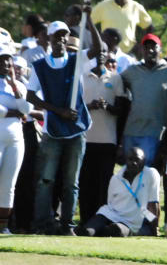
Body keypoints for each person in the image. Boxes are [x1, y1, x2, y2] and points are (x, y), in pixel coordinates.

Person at [27, 17, 102, 235]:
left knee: (71, 182)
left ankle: (67, 225)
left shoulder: (76, 60)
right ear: (49, 38)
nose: (61, 39)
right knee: (45, 180)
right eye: (57, 35)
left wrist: (90, 22)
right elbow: (31, 95)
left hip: (76, 130)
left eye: (64, 35)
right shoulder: (40, 66)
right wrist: (57, 110)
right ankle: (42, 223)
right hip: (53, 130)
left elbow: (97, 49)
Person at [78, 44, 127, 225]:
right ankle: (85, 220)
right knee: (85, 181)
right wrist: (89, 106)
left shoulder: (115, 78)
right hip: (86, 139)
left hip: (107, 141)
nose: (100, 55)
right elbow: (75, 107)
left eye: (104, 52)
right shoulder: (82, 76)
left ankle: (101, 220)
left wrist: (108, 106)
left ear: (108, 55)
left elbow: (121, 110)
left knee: (104, 183)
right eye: (97, 51)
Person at [121, 33, 167, 167]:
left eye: (153, 47)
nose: (150, 50)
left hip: (154, 132)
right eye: (146, 47)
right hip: (130, 130)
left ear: (160, 49)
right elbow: (116, 84)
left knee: (145, 171)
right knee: (129, 171)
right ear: (141, 50)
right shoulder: (132, 71)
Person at [80, 147, 159, 237]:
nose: (134, 163)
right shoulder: (115, 178)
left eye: (137, 160)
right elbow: (110, 203)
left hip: (130, 222)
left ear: (144, 162)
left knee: (115, 230)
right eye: (130, 159)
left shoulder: (151, 174)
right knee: (87, 231)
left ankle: (105, 230)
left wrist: (154, 229)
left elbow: (153, 204)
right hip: (109, 214)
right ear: (126, 161)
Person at [0, 45, 37, 233]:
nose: (6, 63)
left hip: (15, 140)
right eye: (2, 59)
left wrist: (15, 86)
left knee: (8, 184)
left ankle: (3, 227)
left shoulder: (19, 85)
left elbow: (27, 110)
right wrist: (11, 112)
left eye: (8, 59)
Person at [90, 0, 154, 53]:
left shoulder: (136, 7)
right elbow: (88, 23)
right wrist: (95, 41)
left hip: (128, 52)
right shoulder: (103, 5)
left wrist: (142, 45)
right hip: (106, 51)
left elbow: (149, 26)